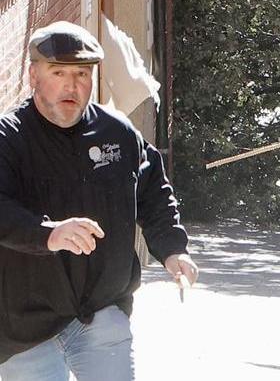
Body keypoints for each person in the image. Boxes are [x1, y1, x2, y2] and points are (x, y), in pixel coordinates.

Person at [0, 22, 198, 380]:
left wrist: (173, 249)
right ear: (33, 75)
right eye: (57, 72)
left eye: (81, 73)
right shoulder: (9, 137)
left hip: (101, 313)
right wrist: (47, 234)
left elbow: (153, 190)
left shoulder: (117, 133)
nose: (71, 85)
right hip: (26, 326)